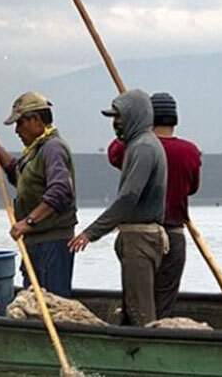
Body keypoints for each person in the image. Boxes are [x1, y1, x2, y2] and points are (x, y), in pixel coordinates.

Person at [68, 89, 167, 326]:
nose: (115, 123)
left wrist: (90, 233)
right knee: (132, 305)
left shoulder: (143, 148)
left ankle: (146, 354)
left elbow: (129, 197)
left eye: (119, 117)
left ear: (135, 117)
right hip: (135, 238)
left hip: (140, 239)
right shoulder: (137, 145)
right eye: (114, 118)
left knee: (140, 311)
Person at [106, 92, 201, 319]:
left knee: (136, 308)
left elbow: (113, 153)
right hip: (174, 236)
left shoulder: (135, 147)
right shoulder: (190, 152)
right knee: (163, 308)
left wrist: (131, 124)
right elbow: (193, 188)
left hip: (140, 237)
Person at [0, 91, 77, 297]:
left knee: (53, 301)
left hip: (51, 243)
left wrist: (27, 222)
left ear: (36, 120)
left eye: (20, 123)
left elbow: (60, 191)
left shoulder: (53, 148)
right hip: (35, 242)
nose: (16, 130)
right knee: (33, 300)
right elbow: (18, 175)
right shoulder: (36, 150)